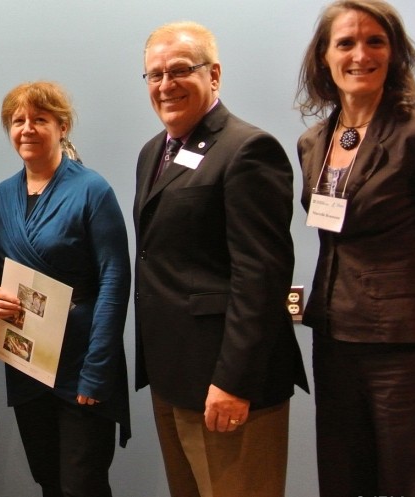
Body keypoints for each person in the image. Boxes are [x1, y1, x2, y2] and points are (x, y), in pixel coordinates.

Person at [133, 22, 308, 497]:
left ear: (214, 74)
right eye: (154, 74)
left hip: (227, 386)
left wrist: (233, 381)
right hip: (174, 381)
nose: (165, 84)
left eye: (179, 70)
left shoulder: (248, 150)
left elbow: (261, 277)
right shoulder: (154, 153)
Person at [295, 1, 415, 495]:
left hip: (404, 344)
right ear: (324, 58)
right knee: (343, 475)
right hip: (333, 334)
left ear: (394, 55)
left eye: (375, 41)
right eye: (345, 43)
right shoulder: (313, 141)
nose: (360, 54)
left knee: (407, 478)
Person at [0, 81, 131, 497]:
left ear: (62, 126)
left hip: (81, 362)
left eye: (40, 119)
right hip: (27, 362)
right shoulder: (2, 196)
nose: (27, 128)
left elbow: (114, 280)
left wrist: (97, 371)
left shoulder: (92, 190)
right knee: (48, 480)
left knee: (82, 484)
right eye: (18, 121)